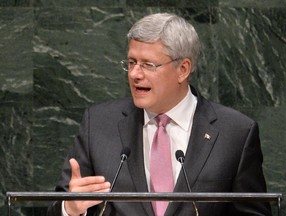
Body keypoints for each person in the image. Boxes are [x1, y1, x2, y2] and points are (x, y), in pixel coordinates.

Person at [47, 13, 272, 216]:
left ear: (183, 69)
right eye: (132, 62)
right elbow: (57, 208)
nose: (135, 74)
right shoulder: (98, 124)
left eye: (148, 65)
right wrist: (70, 208)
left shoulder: (236, 133)